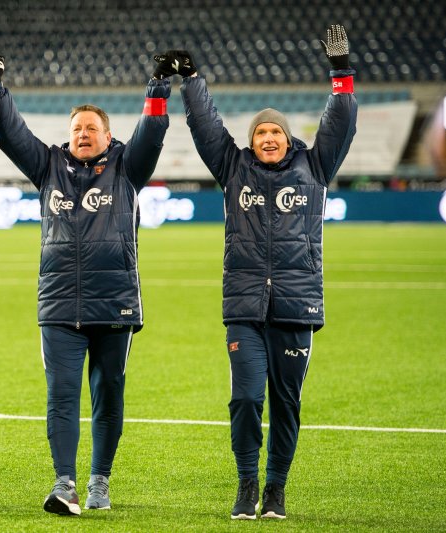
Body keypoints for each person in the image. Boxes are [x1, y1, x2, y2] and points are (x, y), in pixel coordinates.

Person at [0, 48, 178, 515]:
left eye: (91, 128)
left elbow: (153, 132)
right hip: (60, 305)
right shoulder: (48, 167)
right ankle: (64, 483)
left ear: (108, 136)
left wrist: (158, 86)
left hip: (115, 304)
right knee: (62, 397)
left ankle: (100, 482)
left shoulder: (129, 167)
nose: (83, 134)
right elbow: (12, 135)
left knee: (108, 395)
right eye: (76, 129)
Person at [178, 24, 358, 520]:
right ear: (252, 141)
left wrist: (341, 73)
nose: (268, 138)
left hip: (296, 306)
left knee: (286, 404)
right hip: (244, 306)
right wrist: (191, 80)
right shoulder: (233, 168)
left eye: (276, 131)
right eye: (261, 132)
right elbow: (205, 126)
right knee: (244, 398)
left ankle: (276, 489)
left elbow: (339, 125)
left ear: (288, 137)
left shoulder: (315, 167)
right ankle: (246, 483)